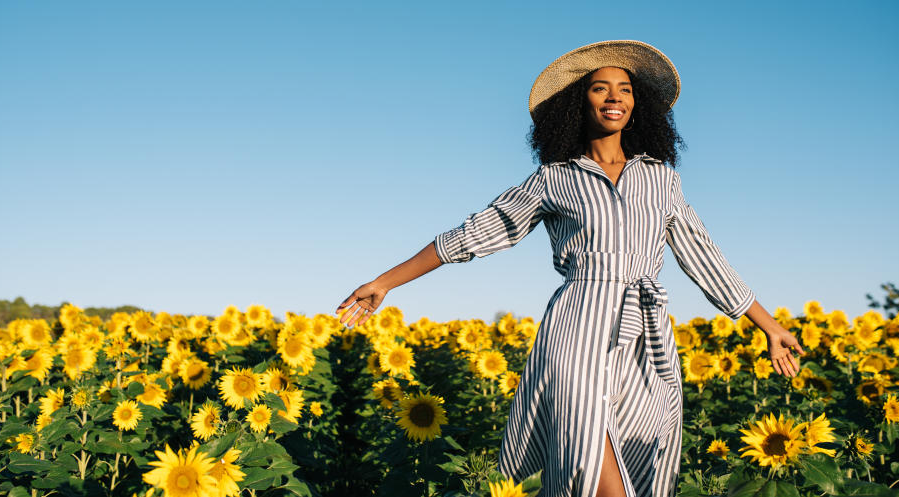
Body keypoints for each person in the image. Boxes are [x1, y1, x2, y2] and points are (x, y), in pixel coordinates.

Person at [335, 40, 804, 497]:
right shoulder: (554, 178)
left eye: (624, 88)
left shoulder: (662, 179)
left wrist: (769, 325)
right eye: (600, 88)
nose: (614, 96)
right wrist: (384, 282)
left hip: (646, 335)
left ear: (637, 105)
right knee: (589, 458)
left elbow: (703, 255)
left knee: (643, 458)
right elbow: (475, 233)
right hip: (576, 327)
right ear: (578, 103)